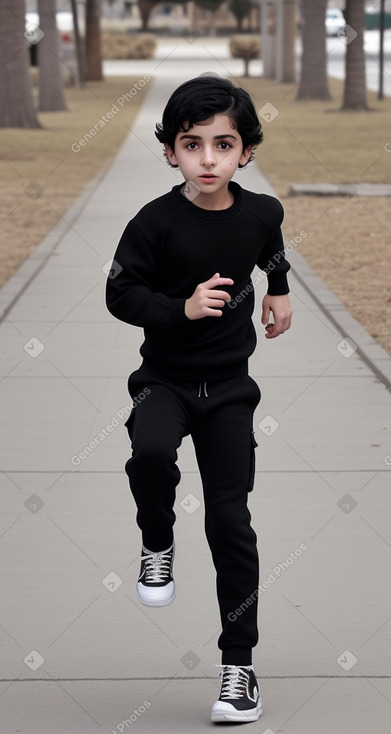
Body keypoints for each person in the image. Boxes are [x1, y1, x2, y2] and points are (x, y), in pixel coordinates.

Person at [106, 74, 292, 724]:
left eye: (223, 144)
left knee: (229, 523)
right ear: (170, 152)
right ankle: (156, 539)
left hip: (230, 391)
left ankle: (237, 668)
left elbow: (268, 248)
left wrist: (278, 289)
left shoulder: (260, 210)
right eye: (192, 144)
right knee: (150, 452)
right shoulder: (152, 222)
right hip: (164, 380)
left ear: (244, 152)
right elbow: (120, 294)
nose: (207, 158)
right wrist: (179, 308)